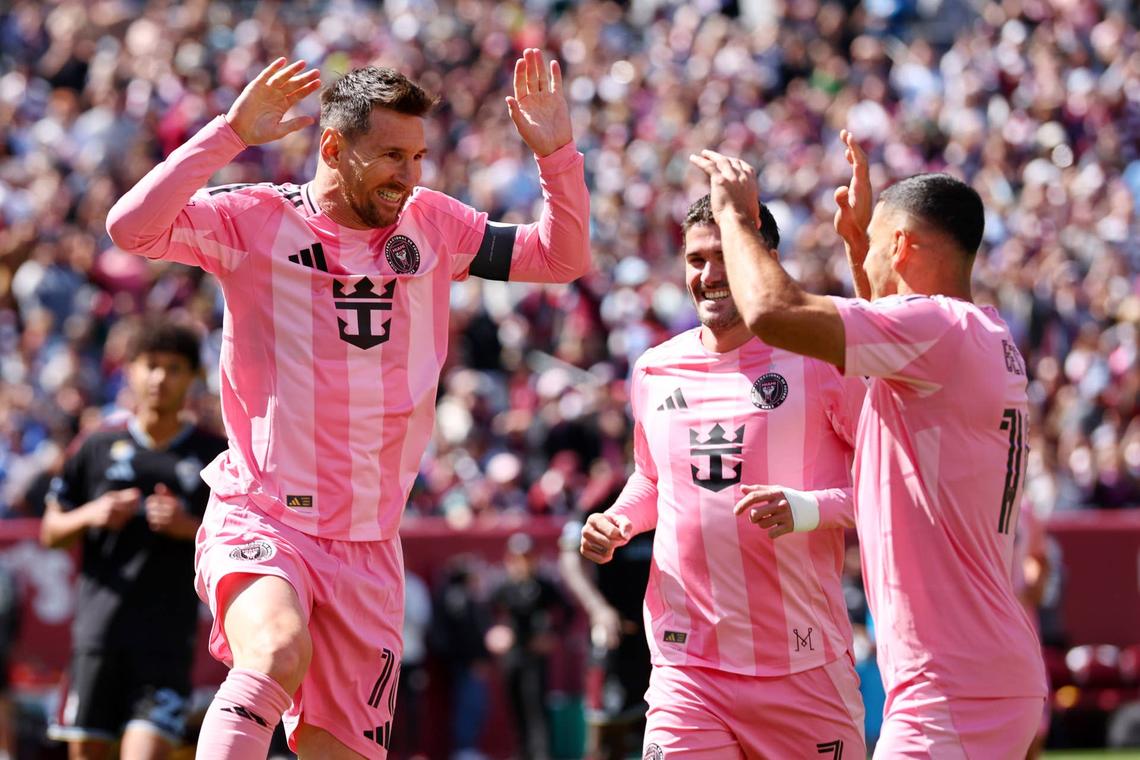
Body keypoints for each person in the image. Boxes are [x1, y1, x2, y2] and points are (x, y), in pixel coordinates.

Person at [105, 51, 590, 760]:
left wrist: (557, 156)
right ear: (333, 147)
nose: (410, 174)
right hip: (266, 513)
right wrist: (229, 132)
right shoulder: (256, 219)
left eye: (418, 155)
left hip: (369, 542)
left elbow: (560, 258)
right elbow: (130, 228)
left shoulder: (433, 224)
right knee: (274, 651)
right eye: (393, 155)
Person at [689, 132, 1048, 757]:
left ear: (904, 248)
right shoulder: (977, 334)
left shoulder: (936, 330)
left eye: (880, 245)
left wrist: (734, 217)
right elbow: (884, 342)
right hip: (977, 671)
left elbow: (773, 311)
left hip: (952, 684)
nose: (868, 259)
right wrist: (861, 248)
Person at [579, 195, 867, 758]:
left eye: (725, 257)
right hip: (687, 664)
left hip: (800, 662)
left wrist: (808, 509)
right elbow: (653, 480)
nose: (709, 276)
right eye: (695, 259)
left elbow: (889, 486)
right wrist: (617, 521)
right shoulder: (655, 369)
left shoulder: (822, 359)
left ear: (767, 260)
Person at [41, 321, 226, 760]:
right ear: (131, 372)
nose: (161, 378)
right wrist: (93, 513)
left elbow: (242, 539)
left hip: (165, 642)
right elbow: (51, 531)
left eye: (174, 368)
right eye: (152, 366)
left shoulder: (213, 456)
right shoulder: (97, 446)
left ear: (193, 378)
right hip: (97, 638)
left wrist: (193, 527)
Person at [559, 506, 653, 760]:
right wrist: (599, 609)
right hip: (615, 639)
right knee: (607, 738)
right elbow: (569, 558)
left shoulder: (670, 487)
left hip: (662, 641)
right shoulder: (604, 494)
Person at [486, 533, 571, 760]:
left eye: (526, 557)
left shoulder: (543, 585)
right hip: (513, 656)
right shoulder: (503, 587)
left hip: (535, 656)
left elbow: (568, 611)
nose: (522, 563)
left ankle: (542, 754)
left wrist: (553, 635)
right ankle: (521, 752)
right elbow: (485, 613)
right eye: (517, 558)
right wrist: (495, 633)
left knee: (536, 708)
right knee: (515, 708)